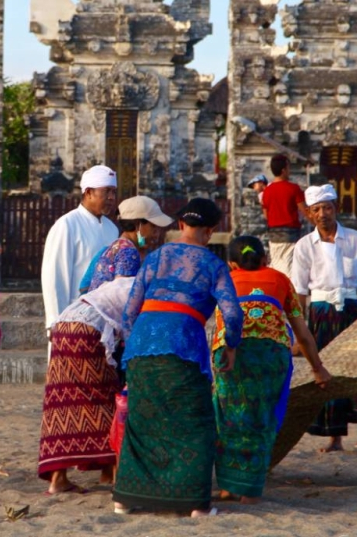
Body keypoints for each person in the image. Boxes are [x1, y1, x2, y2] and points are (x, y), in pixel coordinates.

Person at [112, 198, 243, 517]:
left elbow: (130, 309)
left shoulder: (155, 257)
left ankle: (125, 499)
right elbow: (232, 313)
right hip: (183, 343)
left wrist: (136, 343)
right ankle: (195, 504)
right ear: (211, 231)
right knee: (195, 422)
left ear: (181, 224)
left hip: (143, 341)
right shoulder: (213, 264)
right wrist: (231, 347)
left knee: (143, 419)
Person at [212, 236, 330, 504]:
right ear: (265, 259)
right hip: (270, 354)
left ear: (232, 264)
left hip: (230, 351)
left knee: (228, 418)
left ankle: (229, 487)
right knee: (261, 418)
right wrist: (318, 368)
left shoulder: (223, 280)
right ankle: (250, 492)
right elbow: (302, 332)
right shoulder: (280, 280)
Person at [291, 185, 357, 454]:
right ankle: (334, 437)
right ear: (309, 214)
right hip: (320, 313)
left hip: (352, 311)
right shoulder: (304, 246)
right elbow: (299, 292)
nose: (323, 214)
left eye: (327, 207)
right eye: (316, 209)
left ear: (336, 209)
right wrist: (300, 331)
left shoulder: (355, 239)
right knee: (327, 370)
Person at [39, 273, 138, 494]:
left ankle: (58, 479)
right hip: (89, 330)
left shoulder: (119, 282)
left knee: (62, 399)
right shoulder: (144, 288)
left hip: (63, 325)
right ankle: (115, 475)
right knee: (107, 398)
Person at [41, 165, 119, 335]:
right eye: (107, 191)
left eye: (114, 192)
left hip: (105, 322)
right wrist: (55, 323)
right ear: (89, 192)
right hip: (72, 320)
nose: (112, 198)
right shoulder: (67, 225)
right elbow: (55, 278)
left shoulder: (112, 229)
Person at [79, 195, 172, 295]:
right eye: (153, 227)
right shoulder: (127, 252)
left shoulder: (116, 248)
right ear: (138, 224)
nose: (157, 234)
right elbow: (123, 297)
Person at [260, 154, 306, 277]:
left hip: (273, 234)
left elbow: (266, 215)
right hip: (291, 234)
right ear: (284, 170)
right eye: (288, 168)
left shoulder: (267, 191)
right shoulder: (293, 188)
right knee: (290, 267)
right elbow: (304, 210)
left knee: (276, 264)